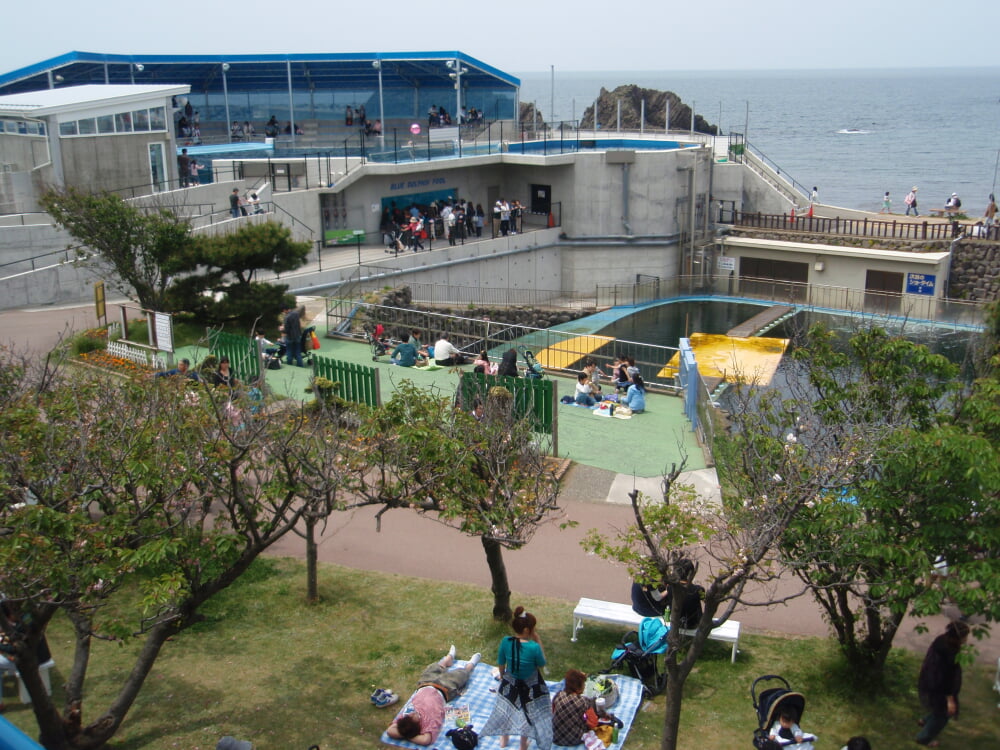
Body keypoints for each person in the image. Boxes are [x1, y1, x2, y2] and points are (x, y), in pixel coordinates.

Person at [481, 606, 552, 750]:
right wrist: (538, 641)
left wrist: (503, 676)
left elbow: (501, 662)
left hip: (510, 681)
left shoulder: (506, 641)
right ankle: (522, 744)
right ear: (527, 631)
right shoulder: (533, 647)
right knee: (528, 713)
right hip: (529, 685)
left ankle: (504, 738)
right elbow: (542, 663)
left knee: (507, 708)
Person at [386, 647, 482, 746]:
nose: (412, 714)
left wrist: (405, 733)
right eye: (413, 717)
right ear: (418, 726)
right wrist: (410, 735)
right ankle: (470, 664)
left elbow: (390, 731)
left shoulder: (405, 718)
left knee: (433, 668)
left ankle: (447, 660)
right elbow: (425, 740)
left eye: (409, 716)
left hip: (425, 683)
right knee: (461, 675)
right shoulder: (429, 723)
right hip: (445, 688)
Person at [915, 620, 969, 746]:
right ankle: (923, 738)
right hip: (940, 688)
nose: (966, 639)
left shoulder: (941, 640)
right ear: (958, 638)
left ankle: (925, 720)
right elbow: (947, 679)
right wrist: (950, 699)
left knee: (936, 707)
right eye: (965, 636)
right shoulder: (950, 654)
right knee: (943, 715)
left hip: (929, 680)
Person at [551, 669, 592, 747]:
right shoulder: (584, 701)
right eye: (584, 684)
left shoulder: (558, 695)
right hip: (575, 739)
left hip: (555, 737)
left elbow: (553, 712)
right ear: (579, 686)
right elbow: (592, 723)